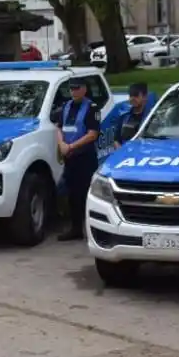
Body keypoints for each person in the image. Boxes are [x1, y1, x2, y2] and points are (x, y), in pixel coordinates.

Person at [54, 78, 100, 241]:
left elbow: (92, 134)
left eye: (77, 88)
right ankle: (75, 229)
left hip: (85, 158)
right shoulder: (66, 106)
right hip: (70, 157)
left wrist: (71, 146)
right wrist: (61, 144)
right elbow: (59, 127)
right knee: (73, 195)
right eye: (71, 89)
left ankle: (92, 230)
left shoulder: (92, 108)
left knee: (87, 195)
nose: (74, 92)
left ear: (84, 89)